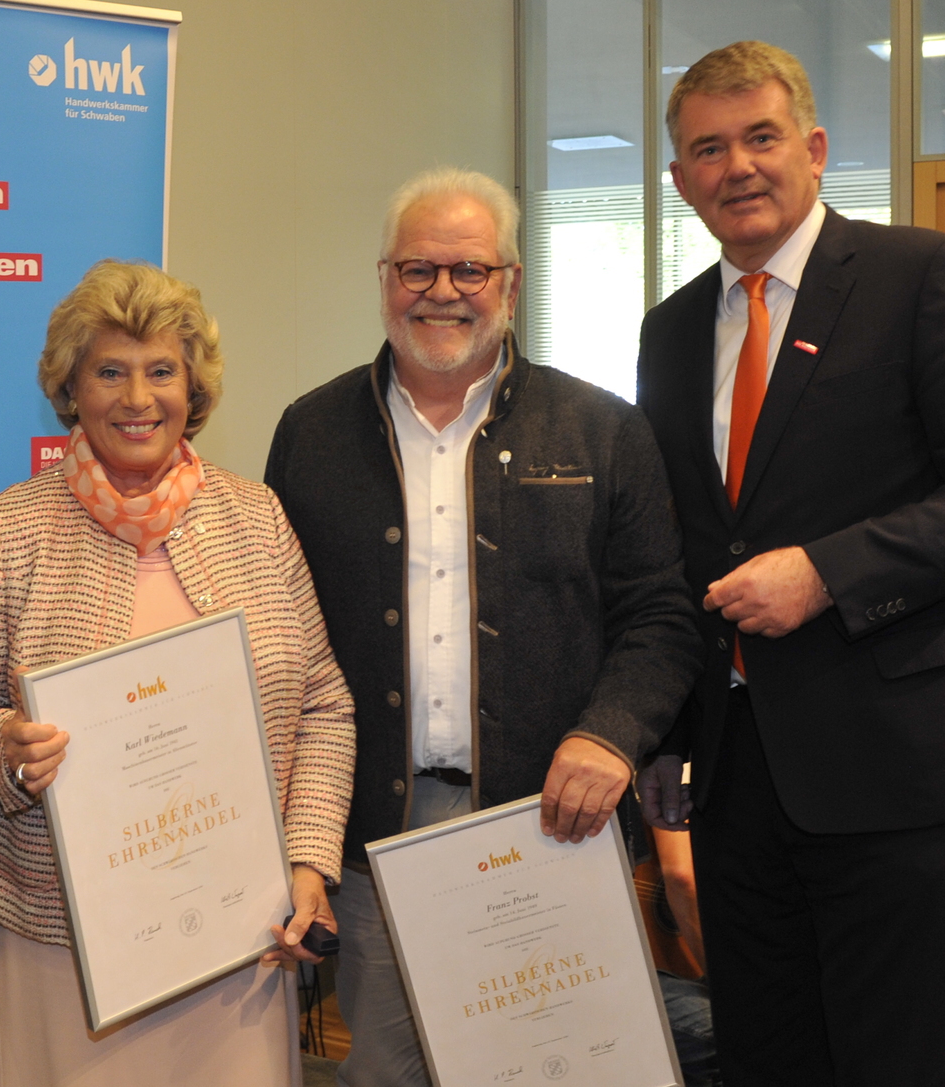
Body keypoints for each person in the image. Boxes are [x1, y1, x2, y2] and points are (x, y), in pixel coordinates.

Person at [635, 40, 945, 1085]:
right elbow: (681, 543)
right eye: (706, 147)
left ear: (815, 149)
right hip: (736, 775)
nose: (735, 165)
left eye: (759, 136)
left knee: (887, 1055)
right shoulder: (669, 329)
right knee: (763, 1050)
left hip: (895, 759)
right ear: (678, 179)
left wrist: (824, 571)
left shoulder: (919, 275)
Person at [264, 167, 706, 1087]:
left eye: (468, 269)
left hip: (551, 818)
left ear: (510, 280)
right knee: (388, 1063)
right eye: (416, 268)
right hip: (377, 824)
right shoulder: (310, 431)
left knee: (552, 1063)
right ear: (384, 278)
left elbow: (660, 613)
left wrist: (612, 732)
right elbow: (279, 628)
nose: (442, 292)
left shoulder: (602, 430)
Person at [0, 259, 356, 1087]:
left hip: (240, 927)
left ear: (193, 387)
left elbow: (324, 706)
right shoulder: (8, 528)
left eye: (161, 370)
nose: (138, 398)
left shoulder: (257, 516)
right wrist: (6, 750)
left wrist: (307, 861)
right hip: (67, 936)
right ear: (71, 389)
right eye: (110, 372)